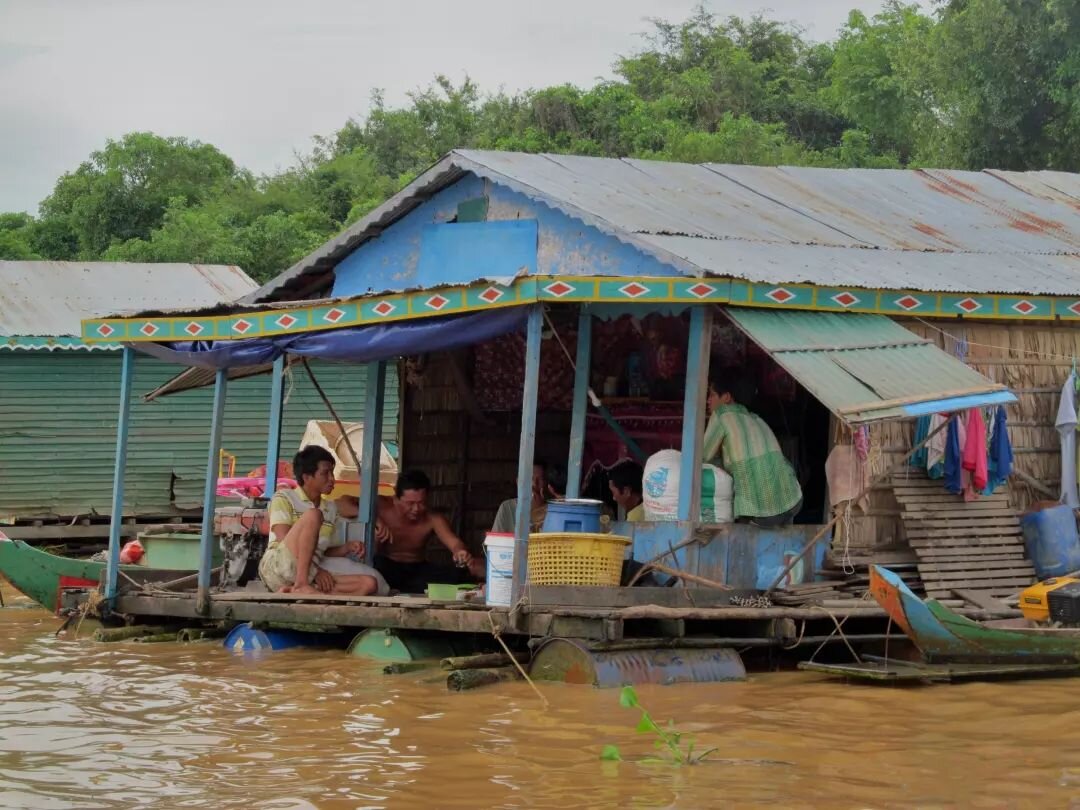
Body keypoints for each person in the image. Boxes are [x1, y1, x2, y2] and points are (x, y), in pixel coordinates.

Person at [258, 445, 389, 595]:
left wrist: (346, 548)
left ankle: (295, 591)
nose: (332, 479)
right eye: (325, 473)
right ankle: (301, 585)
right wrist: (316, 571)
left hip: (310, 572)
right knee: (314, 515)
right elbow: (283, 539)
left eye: (332, 472)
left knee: (368, 584)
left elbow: (321, 551)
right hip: (277, 567)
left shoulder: (330, 509)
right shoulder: (284, 497)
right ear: (307, 477)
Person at [703, 374, 802, 527]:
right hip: (794, 502)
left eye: (712, 395)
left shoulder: (721, 415)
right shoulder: (758, 419)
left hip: (761, 512)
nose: (708, 400)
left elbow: (703, 457)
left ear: (727, 397)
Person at [375, 469, 483, 593]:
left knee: (460, 576)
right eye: (410, 503)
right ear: (396, 497)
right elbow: (346, 503)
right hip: (387, 566)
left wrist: (460, 551)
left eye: (421, 503)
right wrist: (377, 521)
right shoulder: (382, 505)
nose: (416, 509)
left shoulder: (433, 518)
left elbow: (454, 542)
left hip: (417, 569)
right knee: (375, 575)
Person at [491, 461, 556, 534]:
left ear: (546, 482)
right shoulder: (507, 507)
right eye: (529, 478)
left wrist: (539, 510)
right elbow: (496, 541)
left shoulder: (554, 510)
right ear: (518, 482)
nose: (534, 483)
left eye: (540, 479)